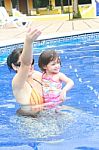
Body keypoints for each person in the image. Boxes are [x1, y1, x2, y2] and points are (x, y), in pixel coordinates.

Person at [7, 28, 44, 116]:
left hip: (45, 115)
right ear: (14, 66)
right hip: (29, 121)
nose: (29, 66)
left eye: (32, 62)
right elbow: (26, 64)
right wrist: (28, 42)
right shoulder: (17, 84)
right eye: (20, 64)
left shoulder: (38, 76)